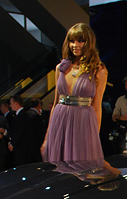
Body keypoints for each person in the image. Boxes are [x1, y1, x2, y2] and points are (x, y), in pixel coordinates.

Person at [42, 22, 108, 162]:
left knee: (82, 168)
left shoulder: (98, 71)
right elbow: (55, 104)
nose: (75, 45)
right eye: (72, 41)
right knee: (59, 169)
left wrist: (94, 138)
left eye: (80, 41)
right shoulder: (61, 68)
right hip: (60, 121)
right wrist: (47, 137)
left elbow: (97, 107)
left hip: (83, 123)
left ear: (88, 42)